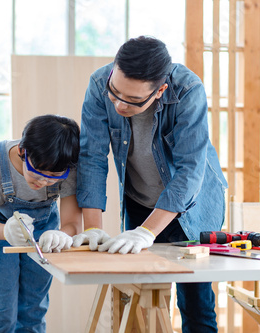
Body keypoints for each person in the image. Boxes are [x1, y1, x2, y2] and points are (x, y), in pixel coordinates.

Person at [73, 36, 228, 332]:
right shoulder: (98, 84)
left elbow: (189, 172)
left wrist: (147, 232)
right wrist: (93, 228)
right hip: (139, 199)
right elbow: (91, 157)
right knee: (141, 298)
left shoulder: (188, 90)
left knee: (195, 302)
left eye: (131, 101)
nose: (118, 104)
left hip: (193, 206)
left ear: (160, 91)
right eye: (115, 92)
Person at [0, 114, 82, 332]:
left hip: (43, 229)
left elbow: (72, 224)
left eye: (53, 176)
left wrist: (61, 235)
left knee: (32, 311)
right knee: (1, 313)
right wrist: (7, 231)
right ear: (24, 151)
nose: (43, 181)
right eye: (36, 172)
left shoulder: (67, 165)